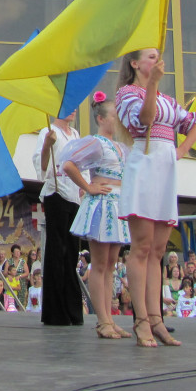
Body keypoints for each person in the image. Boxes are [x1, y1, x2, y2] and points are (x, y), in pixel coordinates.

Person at [116, 48, 196, 348]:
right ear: (135, 63)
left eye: (157, 56)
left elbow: (194, 124)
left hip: (166, 170)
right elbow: (144, 120)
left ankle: (156, 318)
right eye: (150, 57)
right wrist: (151, 83)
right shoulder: (127, 93)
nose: (156, 60)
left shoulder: (169, 100)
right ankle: (141, 318)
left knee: (158, 249)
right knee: (141, 246)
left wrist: (181, 150)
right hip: (144, 165)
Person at [53, 91, 131, 339]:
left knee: (111, 264)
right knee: (100, 263)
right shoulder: (97, 143)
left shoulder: (120, 147)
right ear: (101, 119)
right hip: (102, 204)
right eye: (114, 116)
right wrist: (88, 187)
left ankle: (109, 318)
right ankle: (102, 320)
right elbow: (68, 164)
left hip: (117, 204)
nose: (117, 121)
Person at [34, 109, 84, 327]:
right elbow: (42, 167)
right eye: (68, 107)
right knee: (57, 251)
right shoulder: (48, 131)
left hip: (74, 195)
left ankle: (73, 310)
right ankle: (55, 312)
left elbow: (82, 164)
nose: (73, 111)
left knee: (72, 252)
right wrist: (47, 145)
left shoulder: (76, 135)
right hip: (56, 191)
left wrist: (84, 186)